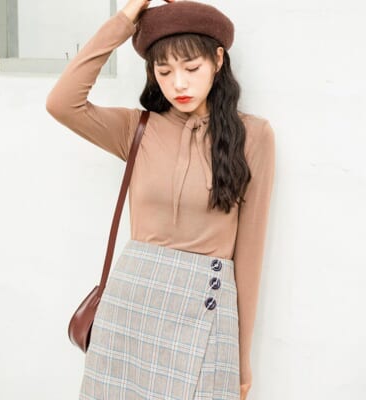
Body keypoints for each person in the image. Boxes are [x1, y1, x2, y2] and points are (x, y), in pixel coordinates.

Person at [45, 1, 276, 399]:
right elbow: (61, 102)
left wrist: (241, 360)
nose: (178, 84)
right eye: (164, 71)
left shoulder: (253, 136)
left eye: (192, 68)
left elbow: (250, 253)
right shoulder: (137, 128)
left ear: (218, 60)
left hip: (204, 313)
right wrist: (125, 19)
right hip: (130, 311)